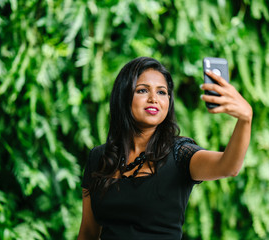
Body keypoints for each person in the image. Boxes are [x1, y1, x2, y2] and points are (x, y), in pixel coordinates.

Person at [77, 57, 252, 240]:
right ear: (123, 96)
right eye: (142, 90)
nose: (153, 99)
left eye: (162, 92)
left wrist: (245, 119)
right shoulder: (99, 157)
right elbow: (88, 233)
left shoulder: (180, 154)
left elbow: (228, 166)